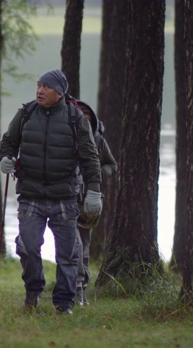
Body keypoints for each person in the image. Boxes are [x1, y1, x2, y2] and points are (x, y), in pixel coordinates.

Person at [0, 69, 102, 315]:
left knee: (67, 256)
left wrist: (94, 192)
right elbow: (8, 142)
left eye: (46, 87)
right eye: (38, 86)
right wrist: (6, 158)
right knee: (27, 246)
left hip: (64, 198)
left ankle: (64, 304)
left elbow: (90, 158)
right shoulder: (26, 113)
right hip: (30, 195)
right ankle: (33, 292)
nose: (40, 91)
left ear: (60, 93)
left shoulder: (75, 118)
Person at [74, 100, 117, 306]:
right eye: (80, 119)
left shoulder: (98, 140)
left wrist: (96, 174)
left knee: (83, 246)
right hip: (65, 198)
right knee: (70, 245)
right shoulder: (65, 138)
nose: (84, 122)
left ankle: (81, 288)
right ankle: (72, 287)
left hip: (89, 202)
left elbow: (112, 165)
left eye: (87, 119)